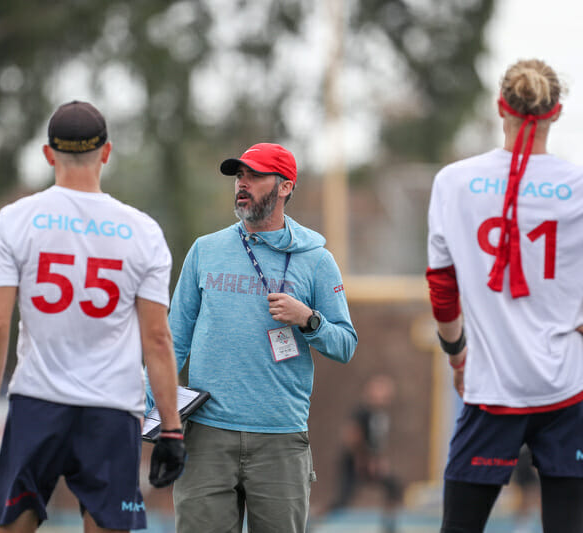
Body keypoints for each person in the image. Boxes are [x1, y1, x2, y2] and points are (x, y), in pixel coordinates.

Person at [425, 59, 583, 533]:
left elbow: (442, 288)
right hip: (566, 386)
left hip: (492, 386)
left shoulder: (454, 182)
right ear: (556, 112)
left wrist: (457, 355)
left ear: (499, 108)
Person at [0, 100, 186, 533]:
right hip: (111, 410)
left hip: (38, 402)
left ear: (48, 153)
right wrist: (172, 428)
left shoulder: (14, 220)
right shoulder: (142, 231)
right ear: (106, 152)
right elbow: (158, 340)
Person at [155, 142, 358, 532]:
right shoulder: (205, 251)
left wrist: (308, 319)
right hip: (208, 436)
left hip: (281, 438)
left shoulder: (317, 259)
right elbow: (171, 341)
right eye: (239, 176)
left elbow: (345, 344)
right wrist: (156, 413)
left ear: (285, 186)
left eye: (254, 176)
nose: (242, 184)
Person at [327, 374, 403, 533]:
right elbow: (351, 436)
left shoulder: (381, 415)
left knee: (394, 486)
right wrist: (363, 458)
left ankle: (389, 525)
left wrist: (379, 459)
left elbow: (378, 441)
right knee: (342, 500)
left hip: (371, 462)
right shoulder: (361, 411)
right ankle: (311, 521)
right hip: (355, 461)